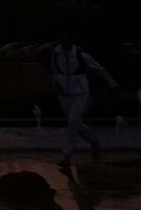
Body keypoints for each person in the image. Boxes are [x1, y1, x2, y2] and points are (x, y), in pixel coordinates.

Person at [50, 33, 117, 168]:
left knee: (73, 122)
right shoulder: (56, 54)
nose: (63, 44)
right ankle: (94, 141)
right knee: (74, 124)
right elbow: (54, 71)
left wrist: (111, 82)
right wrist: (56, 84)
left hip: (80, 93)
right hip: (64, 94)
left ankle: (67, 155)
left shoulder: (80, 54)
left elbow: (97, 68)